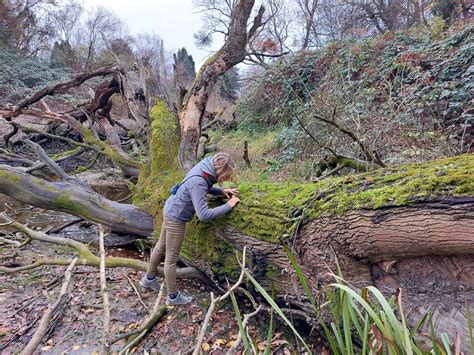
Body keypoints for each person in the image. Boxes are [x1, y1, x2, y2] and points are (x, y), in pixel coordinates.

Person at [139, 152, 240, 305]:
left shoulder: (204, 167)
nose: (226, 179)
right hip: (176, 217)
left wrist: (221, 191)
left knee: (160, 247)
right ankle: (173, 296)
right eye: (226, 175)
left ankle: (149, 279)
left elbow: (203, 186)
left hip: (171, 208)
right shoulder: (199, 181)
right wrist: (229, 205)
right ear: (220, 170)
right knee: (171, 258)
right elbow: (204, 214)